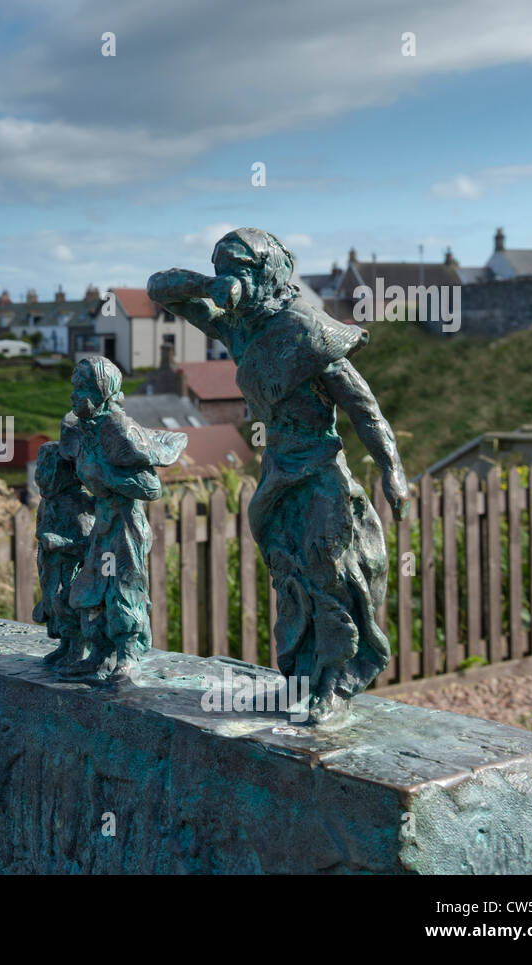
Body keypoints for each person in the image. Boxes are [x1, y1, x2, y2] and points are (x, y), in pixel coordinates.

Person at [148, 227, 410, 723]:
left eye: (241, 268)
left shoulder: (308, 334)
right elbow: (159, 289)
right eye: (223, 266)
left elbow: (365, 410)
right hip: (276, 471)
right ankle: (300, 677)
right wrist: (211, 286)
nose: (231, 279)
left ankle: (334, 682)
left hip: (317, 472)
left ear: (268, 272)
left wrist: (392, 471)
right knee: (289, 576)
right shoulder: (239, 328)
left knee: (328, 573)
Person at [59, 357, 185, 682]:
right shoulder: (82, 429)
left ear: (103, 392)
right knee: (91, 589)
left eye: (84, 388)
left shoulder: (116, 429)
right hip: (103, 523)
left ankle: (128, 657)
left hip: (125, 525)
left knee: (123, 587)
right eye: (75, 388)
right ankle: (100, 654)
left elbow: (150, 487)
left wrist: (103, 476)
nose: (75, 396)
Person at [31, 441, 95, 666]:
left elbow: (89, 546)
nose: (42, 476)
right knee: (53, 605)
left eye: (49, 470)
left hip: (72, 571)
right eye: (41, 468)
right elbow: (41, 529)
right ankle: (65, 645)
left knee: (68, 606)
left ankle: (77, 650)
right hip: (51, 568)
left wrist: (62, 544)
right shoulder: (48, 503)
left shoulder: (79, 506)